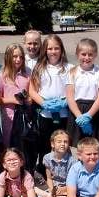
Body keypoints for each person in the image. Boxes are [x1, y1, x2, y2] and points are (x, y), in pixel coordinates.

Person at [28, 34, 72, 172]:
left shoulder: (70, 68)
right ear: (44, 50)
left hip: (63, 114)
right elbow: (32, 90)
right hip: (45, 114)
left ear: (62, 50)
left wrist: (65, 102)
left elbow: (74, 90)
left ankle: (63, 173)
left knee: (63, 144)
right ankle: (43, 172)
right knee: (44, 146)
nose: (53, 52)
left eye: (56, 48)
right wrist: (44, 103)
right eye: (49, 48)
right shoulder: (39, 68)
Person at [66, 38, 99, 148]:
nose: (87, 58)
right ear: (77, 54)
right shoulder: (72, 72)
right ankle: (79, 165)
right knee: (79, 147)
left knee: (93, 146)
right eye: (83, 54)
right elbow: (70, 97)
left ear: (95, 55)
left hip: (94, 111)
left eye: (90, 54)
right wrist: (79, 116)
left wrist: (89, 115)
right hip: (77, 111)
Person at [0, 43, 30, 148]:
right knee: (10, 146)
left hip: (25, 116)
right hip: (9, 118)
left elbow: (32, 92)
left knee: (25, 144)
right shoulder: (2, 76)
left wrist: (28, 99)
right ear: (8, 57)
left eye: (21, 57)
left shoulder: (27, 73)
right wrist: (12, 100)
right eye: (15, 56)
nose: (18, 60)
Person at [35, 130, 76, 197]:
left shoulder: (72, 161)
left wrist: (63, 189)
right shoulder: (47, 158)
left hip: (66, 188)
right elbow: (49, 178)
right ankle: (48, 196)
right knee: (34, 189)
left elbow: (72, 182)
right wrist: (51, 189)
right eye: (59, 142)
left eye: (65, 142)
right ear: (52, 144)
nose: (62, 144)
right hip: (53, 187)